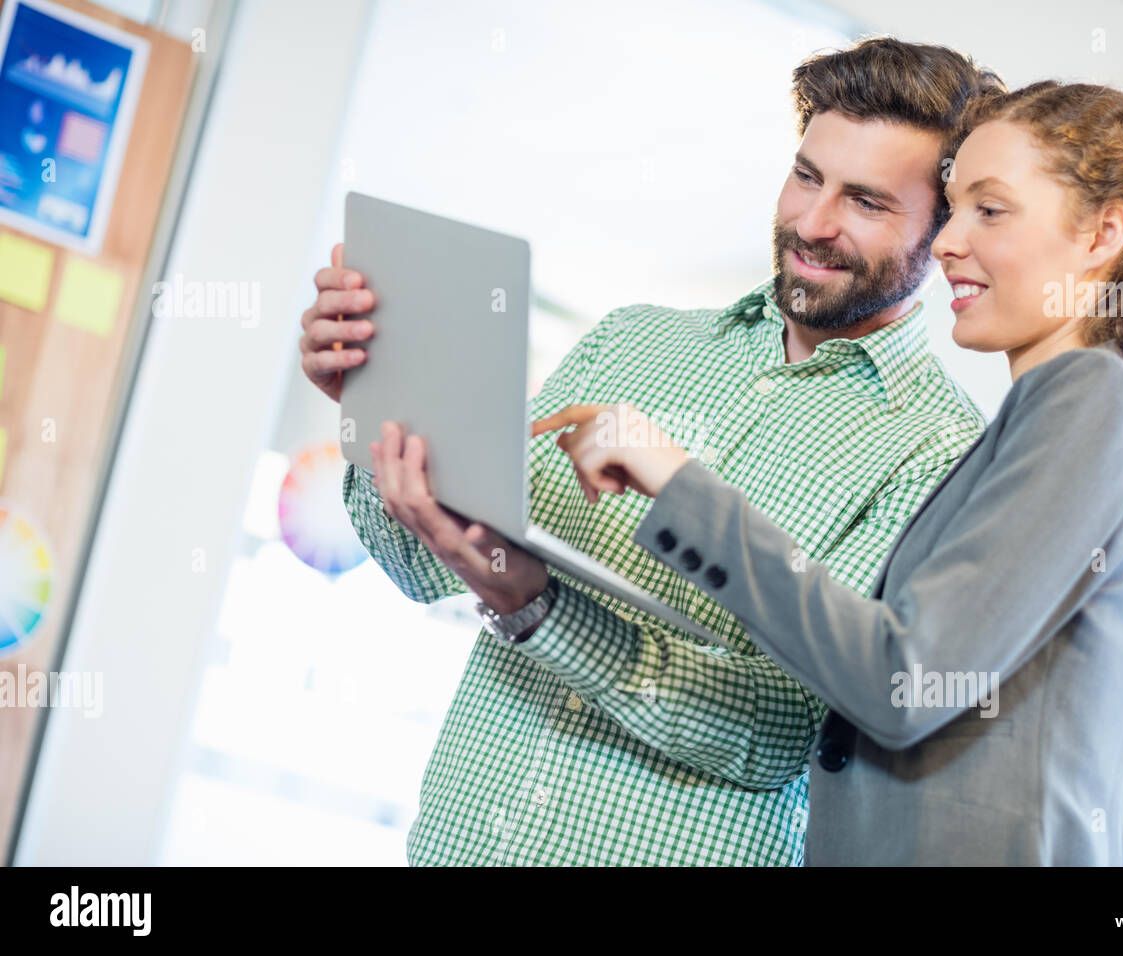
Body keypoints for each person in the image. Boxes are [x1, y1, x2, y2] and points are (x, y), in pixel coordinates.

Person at [298, 37, 1003, 865]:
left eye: (868, 202)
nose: (813, 223)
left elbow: (779, 730)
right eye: (807, 176)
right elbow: (421, 568)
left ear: (946, 229)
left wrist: (539, 608)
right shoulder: (630, 340)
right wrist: (381, 411)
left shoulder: (941, 455)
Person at [537, 81, 1123, 864]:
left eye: (990, 209)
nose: (946, 240)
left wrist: (678, 483)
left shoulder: (1094, 398)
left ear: (1101, 233)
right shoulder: (1049, 415)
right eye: (953, 207)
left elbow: (905, 679)